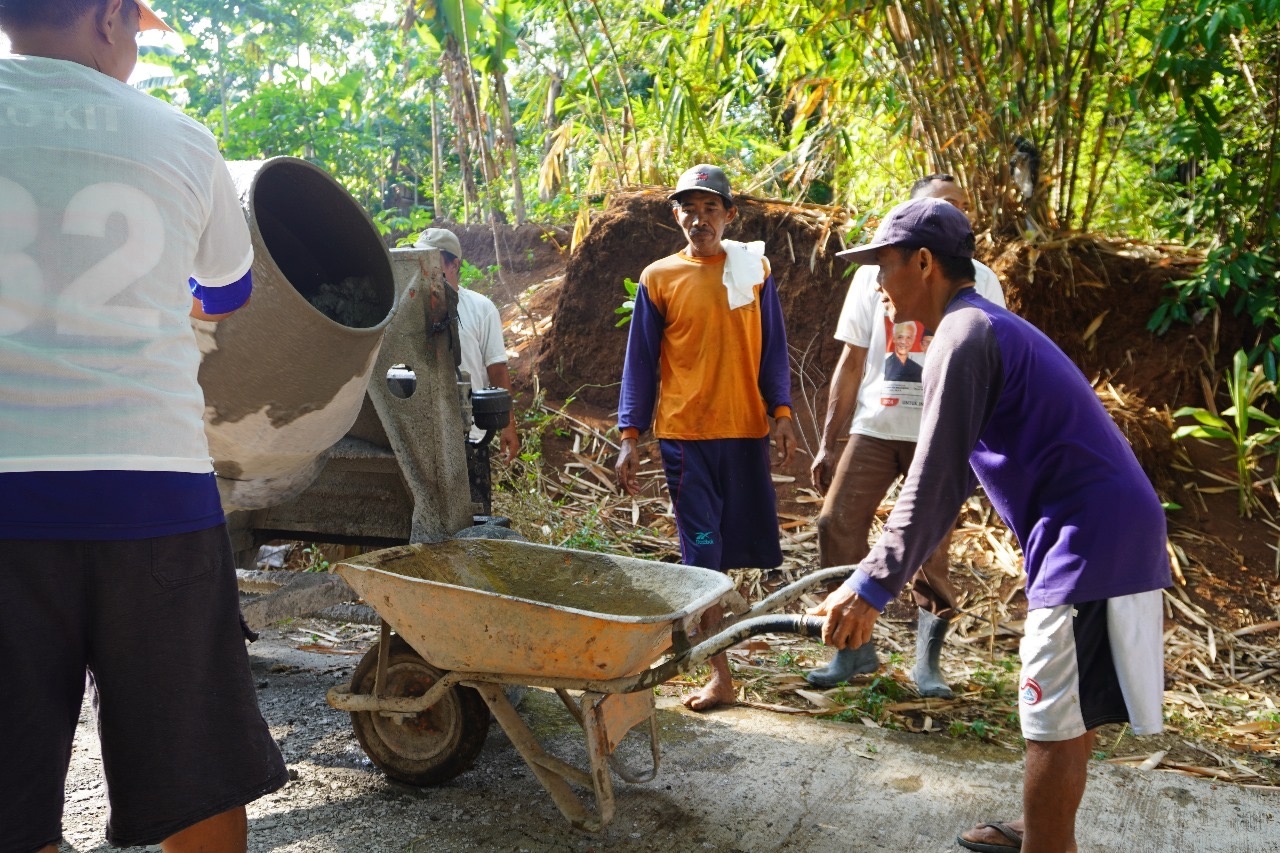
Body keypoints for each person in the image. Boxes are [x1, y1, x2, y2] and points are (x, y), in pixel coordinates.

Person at [0, 2, 290, 852]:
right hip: (152, 491)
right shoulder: (181, 138)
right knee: (193, 767)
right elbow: (228, 288)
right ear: (105, 18)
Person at [810, 197, 1169, 853]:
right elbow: (948, 478)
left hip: (1090, 538)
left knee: (1050, 714)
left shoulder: (963, 335)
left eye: (883, 268)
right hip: (1098, 530)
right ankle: (1044, 829)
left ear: (924, 263)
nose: (878, 288)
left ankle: (1047, 843)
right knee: (1063, 709)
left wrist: (870, 584)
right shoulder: (977, 328)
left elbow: (936, 474)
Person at [807, 175, 1007, 696]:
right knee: (836, 523)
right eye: (935, 205)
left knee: (931, 548)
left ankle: (927, 664)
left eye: (957, 206)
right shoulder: (878, 272)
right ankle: (851, 651)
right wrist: (831, 439)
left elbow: (989, 369)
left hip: (939, 432)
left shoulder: (980, 282)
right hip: (876, 424)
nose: (948, 212)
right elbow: (852, 361)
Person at [615, 164, 797, 711]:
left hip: (743, 432)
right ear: (676, 216)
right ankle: (720, 673)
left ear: (729, 215)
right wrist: (630, 434)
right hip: (685, 437)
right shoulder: (659, 278)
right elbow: (641, 363)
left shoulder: (753, 270)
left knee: (737, 546)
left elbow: (774, 349)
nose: (699, 219)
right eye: (688, 209)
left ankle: (713, 639)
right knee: (702, 555)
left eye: (710, 208)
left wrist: (782, 411)